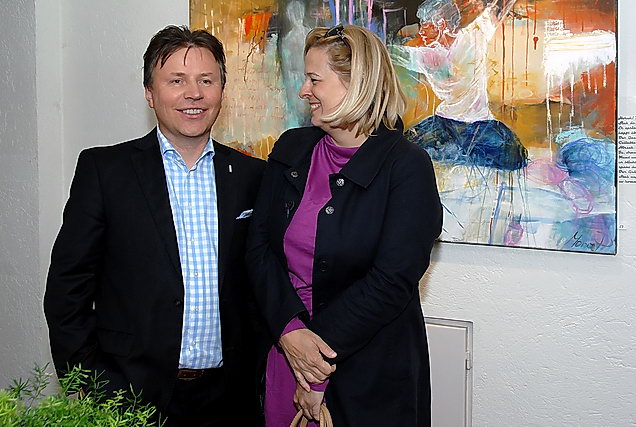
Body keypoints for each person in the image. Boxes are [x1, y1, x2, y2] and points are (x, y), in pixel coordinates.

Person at [44, 25, 266, 426]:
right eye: (176, 81)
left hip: (231, 398)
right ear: (150, 93)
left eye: (206, 80)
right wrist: (91, 381)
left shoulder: (253, 176)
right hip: (128, 395)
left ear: (222, 90)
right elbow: (68, 286)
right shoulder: (105, 172)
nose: (194, 94)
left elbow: (262, 282)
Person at [246, 24, 443, 426]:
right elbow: (258, 249)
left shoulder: (407, 167)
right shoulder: (291, 148)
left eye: (314, 79)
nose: (304, 91)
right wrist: (289, 331)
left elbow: (392, 280)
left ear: (358, 84)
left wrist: (314, 364)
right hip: (288, 350)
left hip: (365, 369)